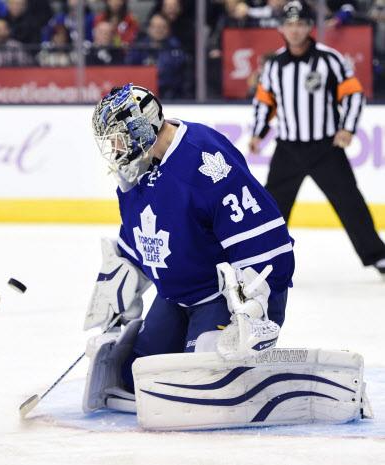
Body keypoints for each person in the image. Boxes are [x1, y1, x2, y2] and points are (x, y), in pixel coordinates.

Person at [83, 83, 294, 413]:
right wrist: (120, 282)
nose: (114, 148)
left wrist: (254, 311)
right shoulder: (136, 169)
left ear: (142, 127)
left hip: (221, 298)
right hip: (176, 296)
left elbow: (263, 241)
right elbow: (142, 236)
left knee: (201, 380)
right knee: (132, 378)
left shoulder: (206, 160)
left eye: (118, 137)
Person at [249, 0, 385, 276]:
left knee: (350, 202)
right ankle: (261, 259)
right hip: (288, 148)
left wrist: (347, 128)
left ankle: (377, 255)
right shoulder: (274, 64)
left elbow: (353, 93)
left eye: (300, 24)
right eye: (290, 24)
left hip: (325, 147)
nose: (295, 30)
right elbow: (265, 101)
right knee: (272, 208)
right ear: (282, 29)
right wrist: (257, 132)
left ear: (310, 27)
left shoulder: (328, 59)